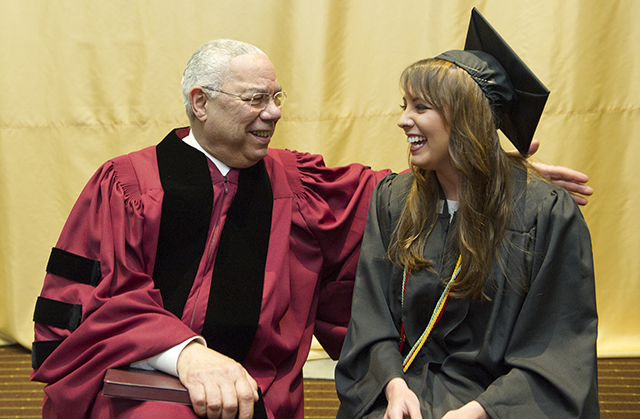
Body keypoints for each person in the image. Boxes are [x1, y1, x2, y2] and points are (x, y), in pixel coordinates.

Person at [30, 38, 592, 419]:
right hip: (146, 386)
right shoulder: (126, 185)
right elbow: (91, 302)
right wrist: (184, 354)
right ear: (199, 103)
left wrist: (487, 169)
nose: (273, 112)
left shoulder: (296, 185)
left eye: (277, 97)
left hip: (257, 395)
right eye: (255, 99)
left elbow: (400, 189)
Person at [335, 9, 599, 419]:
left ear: (467, 118)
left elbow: (558, 348)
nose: (403, 120)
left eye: (421, 107)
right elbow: (371, 321)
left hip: (497, 402)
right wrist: (392, 386)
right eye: (404, 105)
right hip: (401, 394)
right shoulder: (394, 200)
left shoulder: (545, 213)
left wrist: (481, 411)